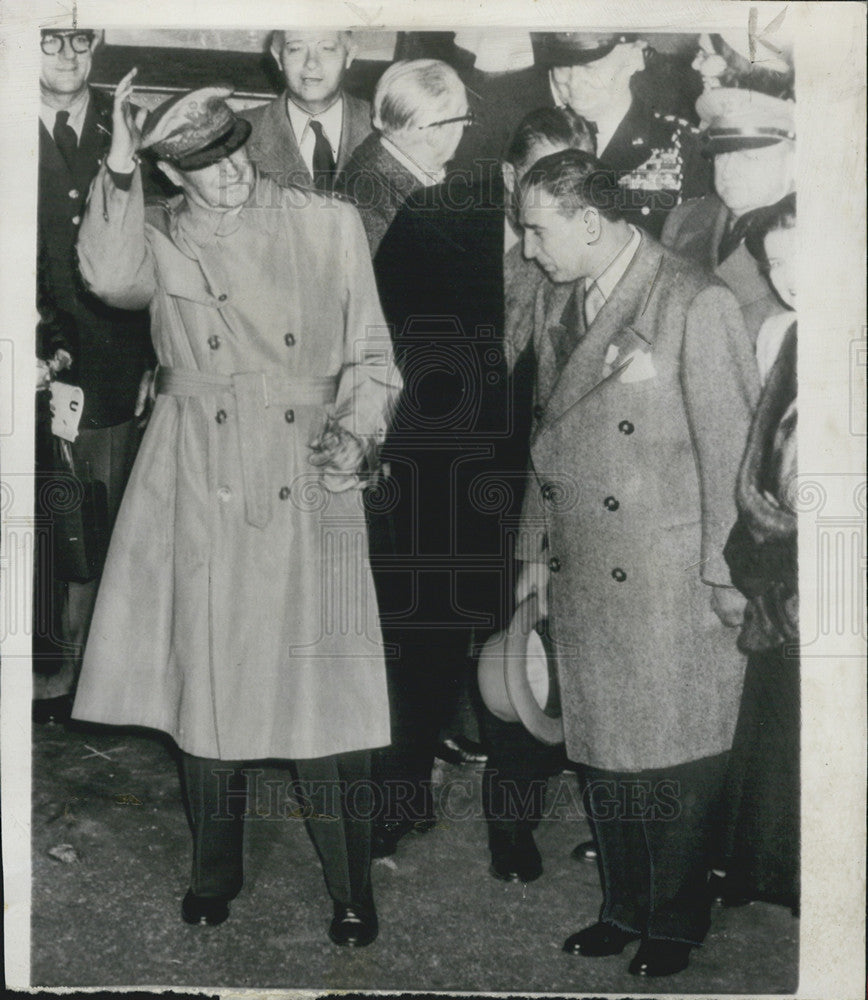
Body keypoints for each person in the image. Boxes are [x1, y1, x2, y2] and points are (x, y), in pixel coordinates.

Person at [71, 74, 402, 947]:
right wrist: (116, 165)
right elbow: (106, 276)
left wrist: (357, 437)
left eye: (234, 156)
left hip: (307, 474)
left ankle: (350, 882)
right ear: (173, 177)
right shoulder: (161, 237)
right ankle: (215, 869)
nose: (230, 178)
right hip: (199, 468)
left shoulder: (324, 223)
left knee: (325, 691)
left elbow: (372, 354)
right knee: (206, 685)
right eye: (204, 170)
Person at [514, 149, 759, 977]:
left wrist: (728, 579)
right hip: (584, 563)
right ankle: (622, 907)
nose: (526, 248)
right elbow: (544, 444)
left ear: (590, 221)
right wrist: (530, 555)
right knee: (604, 748)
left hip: (670, 574)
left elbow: (734, 453)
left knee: (678, 754)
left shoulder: (695, 300)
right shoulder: (561, 294)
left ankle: (677, 921)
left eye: (536, 229)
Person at [33, 28, 156, 722]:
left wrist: (157, 356)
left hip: (108, 365)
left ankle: (80, 675)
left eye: (80, 37)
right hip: (19, 352)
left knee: (91, 518)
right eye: (48, 37)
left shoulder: (127, 124)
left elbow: (164, 246)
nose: (67, 53)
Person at [721, 193, 799, 913]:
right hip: (777, 554)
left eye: (804, 258)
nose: (791, 276)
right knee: (772, 712)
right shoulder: (779, 331)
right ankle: (762, 867)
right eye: (777, 264)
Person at [661, 87, 795, 344]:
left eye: (750, 157)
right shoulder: (686, 219)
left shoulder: (807, 236)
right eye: (722, 155)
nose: (729, 170)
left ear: (794, 161)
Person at [336, 59, 470, 255]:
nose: (465, 128)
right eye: (466, 117)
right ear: (436, 133)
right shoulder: (378, 213)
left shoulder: (378, 156)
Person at [241, 30, 372, 191]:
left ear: (349, 56)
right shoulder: (241, 133)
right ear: (278, 57)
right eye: (296, 49)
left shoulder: (385, 127)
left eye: (327, 48)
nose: (311, 63)